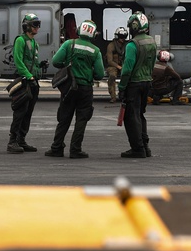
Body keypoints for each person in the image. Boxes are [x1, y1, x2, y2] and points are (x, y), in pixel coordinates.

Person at [45, 20, 105, 159]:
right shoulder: (95, 51)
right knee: (82, 119)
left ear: (78, 31)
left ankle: (56, 148)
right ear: (93, 35)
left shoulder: (68, 44)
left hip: (69, 87)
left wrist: (68, 64)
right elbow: (100, 74)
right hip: (85, 89)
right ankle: (75, 149)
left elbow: (56, 61)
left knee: (64, 118)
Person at [117, 12, 157, 158]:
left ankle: (137, 148)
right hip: (147, 82)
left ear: (134, 26)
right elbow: (152, 64)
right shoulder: (152, 42)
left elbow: (127, 69)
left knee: (131, 117)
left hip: (134, 84)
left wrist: (122, 88)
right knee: (140, 114)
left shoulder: (132, 45)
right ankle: (145, 146)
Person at [7, 12, 41, 154]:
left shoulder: (34, 42)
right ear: (26, 26)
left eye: (38, 25)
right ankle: (12, 142)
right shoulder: (20, 40)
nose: (37, 28)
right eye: (35, 25)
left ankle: (21, 140)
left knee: (28, 112)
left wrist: (39, 69)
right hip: (25, 82)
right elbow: (18, 61)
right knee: (20, 112)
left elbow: (32, 62)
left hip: (33, 82)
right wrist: (29, 76)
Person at [104, 27, 128, 103]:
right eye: (121, 37)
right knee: (112, 76)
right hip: (112, 66)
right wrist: (119, 67)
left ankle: (124, 94)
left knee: (128, 76)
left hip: (123, 65)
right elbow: (110, 61)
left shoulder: (127, 46)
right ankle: (113, 97)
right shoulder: (111, 46)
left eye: (124, 37)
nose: (123, 39)